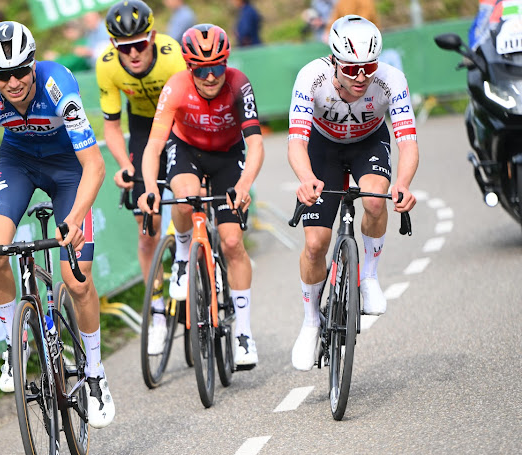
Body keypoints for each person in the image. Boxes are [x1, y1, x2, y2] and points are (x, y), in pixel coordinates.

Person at [0, 21, 115, 428]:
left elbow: (95, 165)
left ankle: (94, 372)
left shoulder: (58, 86)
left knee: (77, 280)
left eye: (21, 70)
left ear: (33, 63)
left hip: (69, 169)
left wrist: (72, 219)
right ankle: (13, 340)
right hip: (17, 164)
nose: (14, 82)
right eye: (2, 75)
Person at [287, 15, 418, 371]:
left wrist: (402, 183)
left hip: (368, 143)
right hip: (322, 147)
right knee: (315, 245)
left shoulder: (391, 80)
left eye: (369, 67)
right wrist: (305, 178)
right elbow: (297, 141)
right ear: (333, 61)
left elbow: (407, 141)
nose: (362, 77)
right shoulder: (311, 78)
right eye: (351, 69)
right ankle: (311, 320)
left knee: (376, 199)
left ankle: (370, 276)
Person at [137, 24, 264, 368]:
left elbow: (255, 144)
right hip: (187, 150)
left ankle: (244, 332)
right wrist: (150, 187)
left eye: (217, 68)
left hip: (228, 155)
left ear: (226, 63)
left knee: (233, 242)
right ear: (189, 67)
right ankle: (181, 256)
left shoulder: (239, 85)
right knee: (184, 196)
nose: (210, 77)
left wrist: (244, 183)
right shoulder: (176, 87)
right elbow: (153, 145)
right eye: (201, 70)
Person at [96, 0, 186, 355]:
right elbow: (112, 126)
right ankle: (159, 311)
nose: (133, 53)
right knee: (146, 230)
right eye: (124, 46)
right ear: (113, 45)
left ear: (152, 36)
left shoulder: (171, 55)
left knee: (185, 195)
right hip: (143, 127)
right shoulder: (106, 67)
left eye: (139, 44)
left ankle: (189, 258)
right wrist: (126, 165)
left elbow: (189, 106)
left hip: (180, 122)